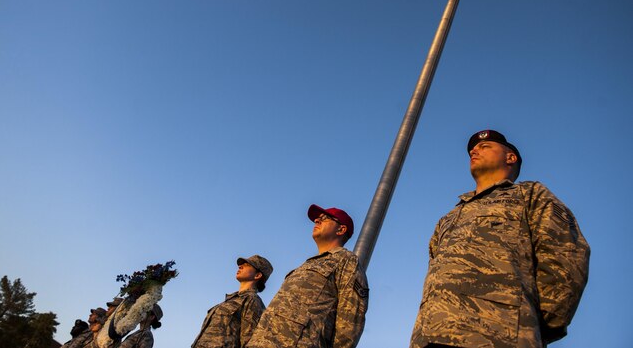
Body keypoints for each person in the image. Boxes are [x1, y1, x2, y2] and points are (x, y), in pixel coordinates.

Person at [410, 129, 590, 348]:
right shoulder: (448, 218)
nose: (474, 151)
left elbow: (564, 254)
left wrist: (538, 325)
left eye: (485, 147)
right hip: (431, 335)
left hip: (497, 333)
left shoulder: (529, 195)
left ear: (510, 157)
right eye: (472, 150)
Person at [246, 205, 369, 348]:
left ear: (341, 229)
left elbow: (350, 320)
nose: (317, 220)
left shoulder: (346, 260)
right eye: (318, 218)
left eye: (325, 218)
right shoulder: (306, 266)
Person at [192, 255, 273, 348]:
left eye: (247, 265)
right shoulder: (231, 300)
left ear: (257, 275)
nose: (240, 266)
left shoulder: (252, 301)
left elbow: (250, 341)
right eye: (241, 265)